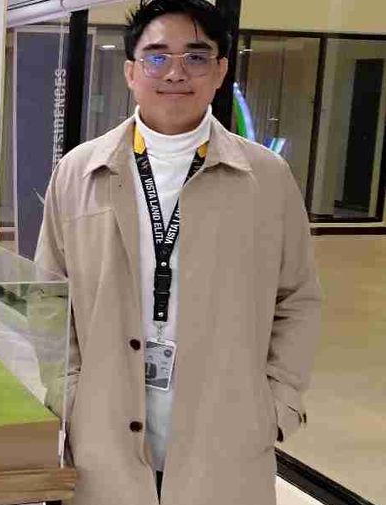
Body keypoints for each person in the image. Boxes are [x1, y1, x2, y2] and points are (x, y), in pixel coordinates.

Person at [34, 1, 321, 504]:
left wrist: (276, 404)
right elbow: (48, 298)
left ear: (220, 71)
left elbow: (297, 298)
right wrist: (69, 394)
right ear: (130, 71)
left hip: (227, 435)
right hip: (104, 431)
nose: (175, 72)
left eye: (195, 56)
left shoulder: (267, 179)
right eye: (156, 56)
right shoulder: (78, 173)